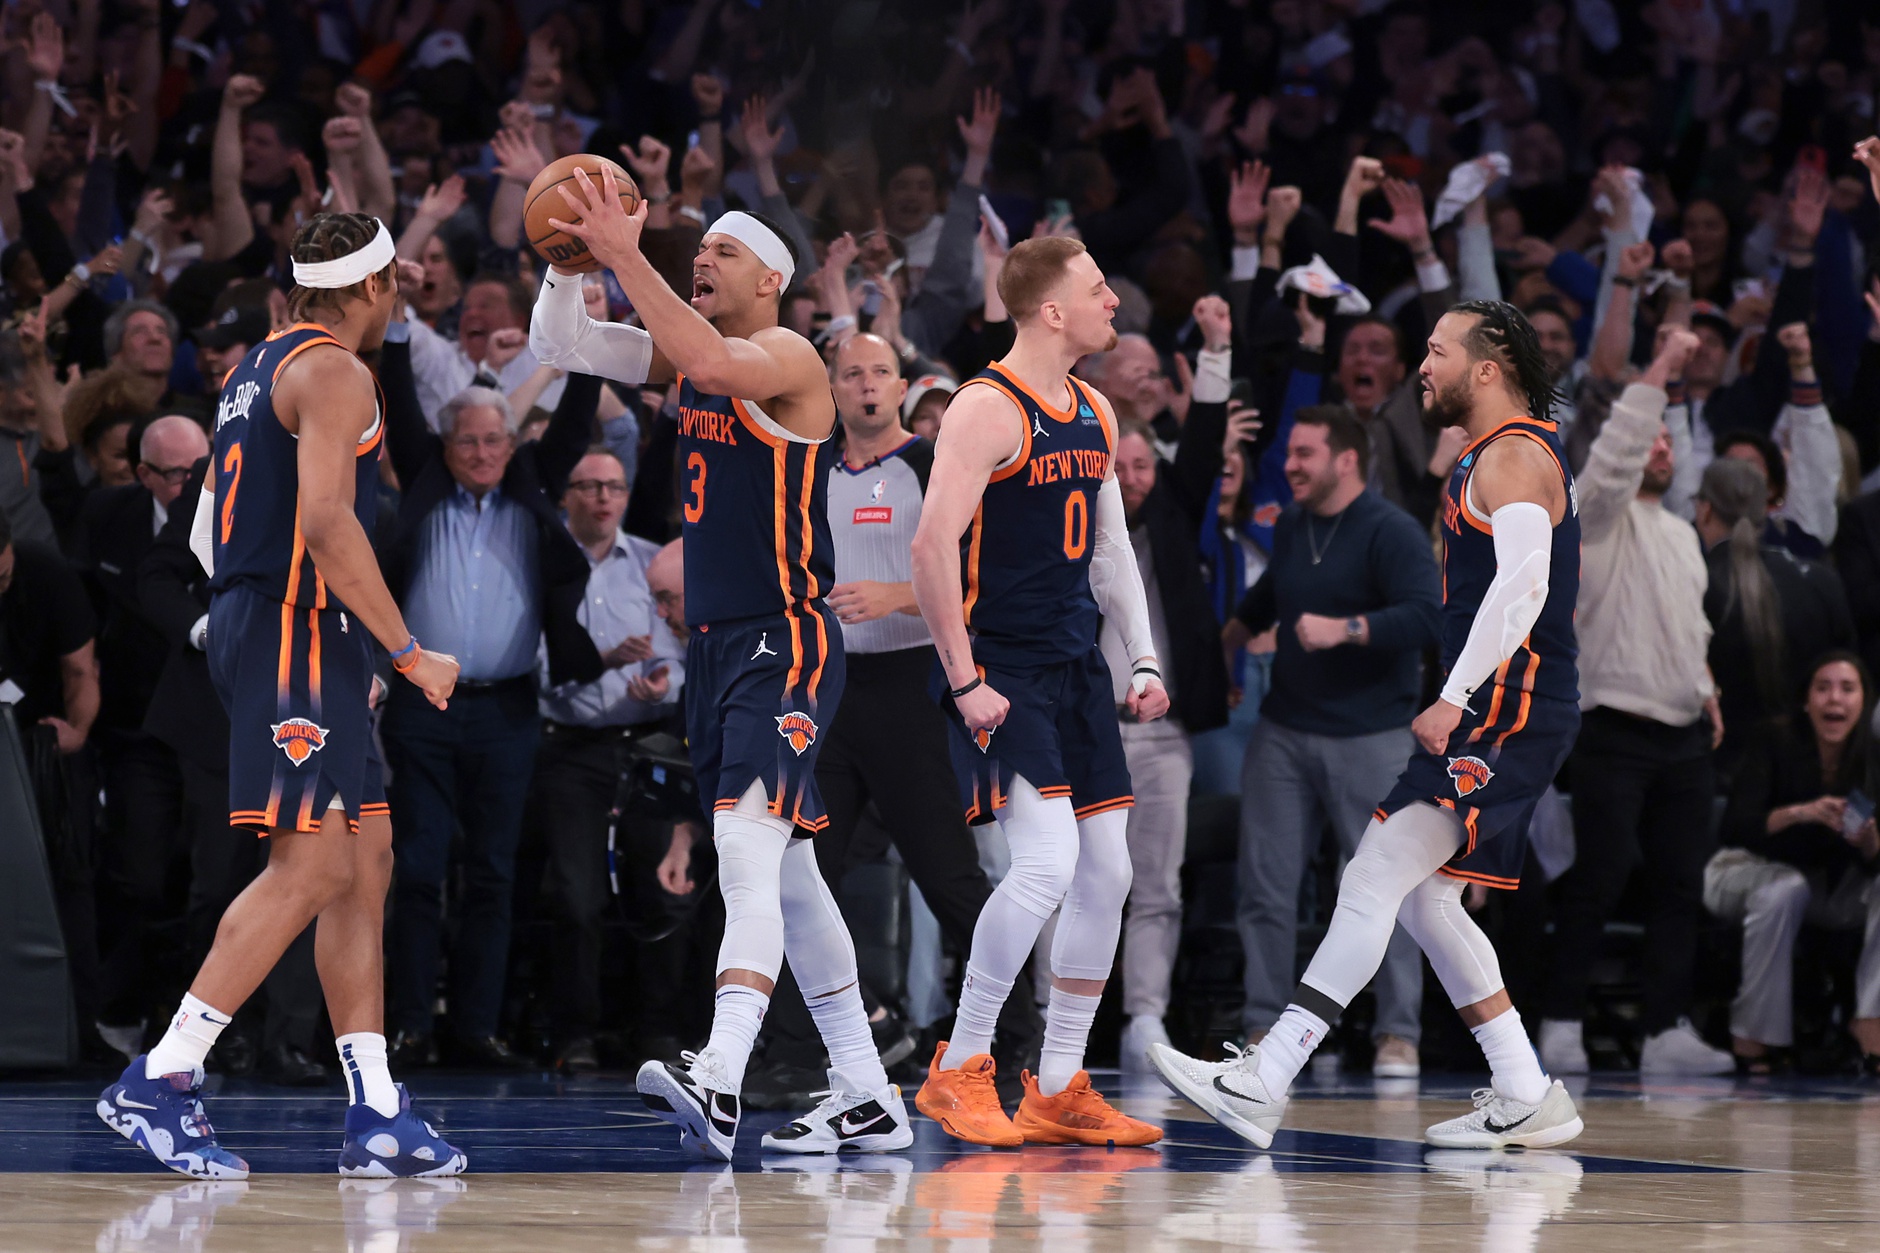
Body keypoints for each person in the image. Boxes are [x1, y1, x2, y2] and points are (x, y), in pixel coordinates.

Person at [532, 168, 911, 1159]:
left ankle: (721, 1073)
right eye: (696, 252)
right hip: (714, 648)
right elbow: (560, 348)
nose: (700, 259)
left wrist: (623, 252)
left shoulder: (789, 356)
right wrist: (567, 264)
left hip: (781, 637)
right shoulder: (694, 355)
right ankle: (867, 1093)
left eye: (723, 252)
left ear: (772, 280)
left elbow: (702, 359)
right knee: (790, 878)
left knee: (745, 852)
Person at [1151, 300, 1585, 1152]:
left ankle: (1266, 1074)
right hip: (1504, 705)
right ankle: (1525, 1088)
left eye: (1436, 351)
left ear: (1487, 367)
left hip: (1509, 706)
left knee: (1374, 874)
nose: (1422, 366)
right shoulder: (1487, 454)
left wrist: (1454, 694)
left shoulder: (1517, 455)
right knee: (1424, 899)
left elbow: (1523, 590)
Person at [96, 212, 466, 1179]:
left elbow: (225, 526)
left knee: (365, 857)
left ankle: (376, 1107)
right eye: (393, 281)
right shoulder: (336, 371)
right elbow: (330, 521)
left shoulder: (255, 364)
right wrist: (408, 649)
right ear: (374, 284)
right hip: (295, 626)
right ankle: (163, 1076)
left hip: (294, 628)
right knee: (309, 866)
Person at [908, 234, 1168, 1149]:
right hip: (1002, 670)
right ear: (1051, 310)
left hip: (1075, 670)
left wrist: (1141, 658)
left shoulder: (1093, 406)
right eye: (1097, 290)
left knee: (1112, 872)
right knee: (1048, 864)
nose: (1113, 303)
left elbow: (1110, 552)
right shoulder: (985, 407)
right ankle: (959, 1065)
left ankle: (1057, 1083)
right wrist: (963, 679)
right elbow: (931, 547)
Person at [744, 332, 1042, 1104]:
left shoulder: (928, 464)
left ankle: (1014, 1044)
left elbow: (984, 577)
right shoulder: (808, 468)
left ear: (902, 385)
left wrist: (897, 596)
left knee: (951, 877)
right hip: (829, 692)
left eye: (880, 372)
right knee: (804, 877)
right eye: (851, 374)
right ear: (831, 387)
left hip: (917, 688)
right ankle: (796, 1057)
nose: (866, 386)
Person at [373, 328, 605, 1070]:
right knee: (418, 868)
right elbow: (402, 404)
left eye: (494, 439)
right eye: (467, 441)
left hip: (507, 708)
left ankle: (477, 1027)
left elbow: (572, 423)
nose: (481, 453)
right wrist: (398, 327)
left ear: (513, 440)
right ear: (446, 446)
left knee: (496, 874)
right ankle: (409, 1024)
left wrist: (589, 346)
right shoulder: (424, 480)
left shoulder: (531, 485)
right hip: (422, 707)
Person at [1537, 330, 1733, 1077]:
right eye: (1647, 436)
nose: (1657, 447)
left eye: (1665, 439)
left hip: (1682, 733)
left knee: (1681, 881)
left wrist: (1707, 686)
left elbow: (1692, 623)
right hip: (1611, 724)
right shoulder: (1597, 514)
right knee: (1601, 873)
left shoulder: (1684, 533)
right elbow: (1612, 455)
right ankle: (1559, 1019)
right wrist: (1657, 375)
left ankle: (1664, 1027)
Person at [1227, 404, 1441, 1080]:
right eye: (1291, 453)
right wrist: (1220, 644)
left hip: (1372, 733)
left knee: (1388, 889)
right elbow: (1268, 605)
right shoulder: (1292, 525)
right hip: (1286, 729)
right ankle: (1263, 1023)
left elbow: (1425, 615)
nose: (1289, 466)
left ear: (1345, 460)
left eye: (1304, 454)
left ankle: (1397, 1032)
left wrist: (1347, 628)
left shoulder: (1391, 530)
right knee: (1265, 883)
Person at [528, 448, 686, 1071]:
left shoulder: (653, 562)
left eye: (614, 487)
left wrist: (658, 686)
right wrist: (598, 664)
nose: (603, 498)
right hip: (572, 746)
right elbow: (533, 665)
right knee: (576, 897)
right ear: (565, 494)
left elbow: (680, 655)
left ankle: (659, 1032)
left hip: (649, 743)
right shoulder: (545, 566)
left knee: (664, 889)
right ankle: (576, 1033)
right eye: (589, 486)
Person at [1706, 652, 1880, 1074]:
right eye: (1822, 688)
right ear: (1806, 700)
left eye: (1847, 688)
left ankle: (1871, 1022)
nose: (1833, 699)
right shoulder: (1773, 741)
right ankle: (1754, 1039)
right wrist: (1801, 813)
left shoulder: (1871, 758)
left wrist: (1872, 843)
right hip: (1743, 868)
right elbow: (1736, 827)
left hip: (1826, 885)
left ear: (1864, 702)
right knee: (1785, 890)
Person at [1696, 458, 1855, 773]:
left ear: (1705, 510)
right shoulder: (1819, 579)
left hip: (1717, 766)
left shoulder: (1695, 585)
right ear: (1766, 510)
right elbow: (1847, 669)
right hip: (1806, 766)